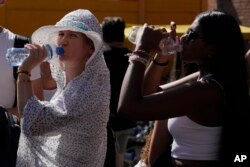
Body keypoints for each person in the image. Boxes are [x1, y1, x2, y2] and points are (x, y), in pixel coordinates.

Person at [118, 10, 250, 166]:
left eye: (192, 35)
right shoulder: (207, 79)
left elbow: (128, 108)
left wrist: (141, 50)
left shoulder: (207, 90)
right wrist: (162, 56)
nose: (183, 38)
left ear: (211, 49)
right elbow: (150, 93)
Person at [15, 9, 110, 167]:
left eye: (73, 35)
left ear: (90, 48)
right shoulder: (72, 85)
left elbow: (31, 123)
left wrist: (24, 71)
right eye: (61, 34)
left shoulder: (84, 90)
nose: (63, 41)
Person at [101, 16, 136, 167]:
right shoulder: (134, 58)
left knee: (104, 158)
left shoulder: (101, 59)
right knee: (120, 155)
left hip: (105, 119)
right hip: (127, 118)